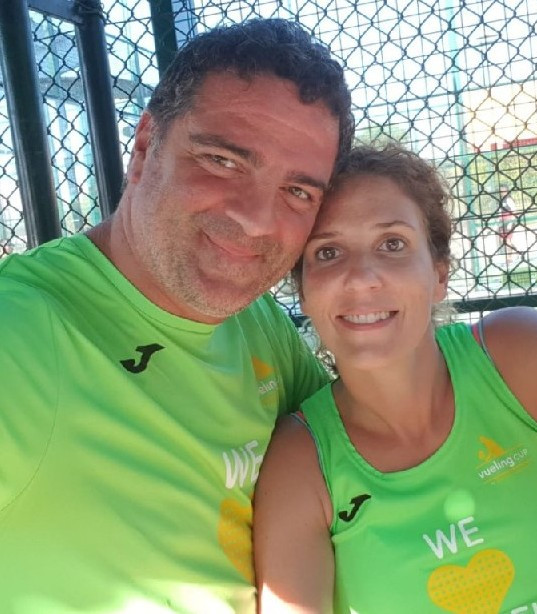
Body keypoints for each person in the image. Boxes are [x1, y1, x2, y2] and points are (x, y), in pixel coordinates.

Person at [0, 19, 353, 613]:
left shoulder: (257, 320)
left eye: (298, 192)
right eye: (222, 161)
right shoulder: (22, 332)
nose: (257, 219)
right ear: (144, 148)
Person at [254, 144, 537, 613]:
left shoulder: (514, 355)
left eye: (392, 244)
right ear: (303, 291)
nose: (361, 278)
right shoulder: (301, 460)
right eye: (328, 251)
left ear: (439, 274)